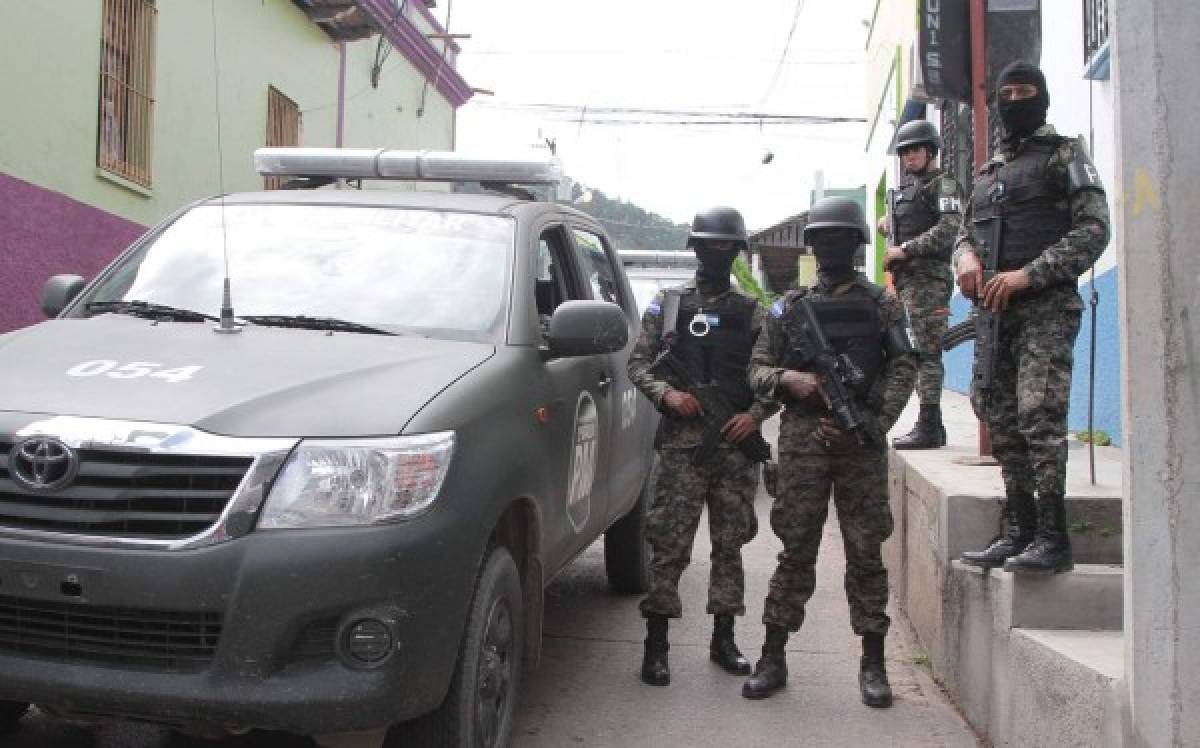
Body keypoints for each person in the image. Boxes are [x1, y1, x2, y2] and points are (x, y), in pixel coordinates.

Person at [741, 197, 917, 705]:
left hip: (858, 440)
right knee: (795, 549)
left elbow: (905, 365)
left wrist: (874, 422)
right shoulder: (788, 308)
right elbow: (755, 370)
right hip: (802, 442)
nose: (832, 248)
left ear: (857, 245)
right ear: (812, 246)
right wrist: (788, 379)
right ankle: (773, 656)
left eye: (842, 239)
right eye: (824, 239)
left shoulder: (882, 304)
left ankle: (874, 663)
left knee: (865, 553)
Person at [956, 61, 1110, 575]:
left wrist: (1029, 274)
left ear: (1041, 97)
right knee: (1000, 420)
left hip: (1044, 308)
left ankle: (1052, 536)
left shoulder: (1066, 154)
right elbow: (964, 233)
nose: (1014, 101)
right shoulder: (987, 172)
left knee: (1038, 413)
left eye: (1024, 91)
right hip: (995, 315)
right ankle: (1019, 530)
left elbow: (1093, 231)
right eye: (1006, 93)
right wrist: (966, 259)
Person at [627, 206, 779, 687]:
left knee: (730, 545)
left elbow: (773, 376)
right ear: (694, 249)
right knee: (669, 546)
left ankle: (724, 638)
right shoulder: (667, 305)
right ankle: (656, 645)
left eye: (726, 246)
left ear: (737, 252)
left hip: (734, 447)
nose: (717, 253)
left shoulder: (752, 312)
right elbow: (638, 364)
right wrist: (667, 395)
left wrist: (752, 417)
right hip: (681, 449)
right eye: (709, 245)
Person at [881, 119, 963, 449]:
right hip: (907, 282)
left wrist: (906, 248)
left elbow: (949, 228)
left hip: (928, 280)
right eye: (904, 152)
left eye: (915, 150)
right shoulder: (908, 191)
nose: (909, 157)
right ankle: (931, 422)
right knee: (914, 350)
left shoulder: (943, 184)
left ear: (929, 151)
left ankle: (929, 425)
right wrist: (889, 223)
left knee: (926, 353)